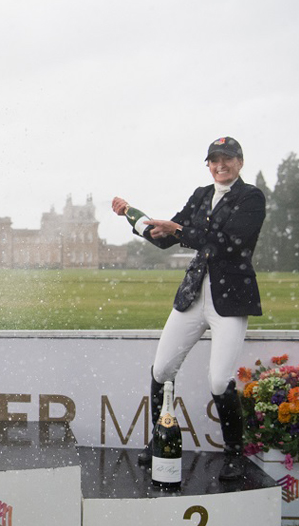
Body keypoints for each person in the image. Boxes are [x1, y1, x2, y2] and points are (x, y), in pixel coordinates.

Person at [112, 136, 265, 481]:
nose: (220, 165)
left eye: (227, 159)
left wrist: (179, 229)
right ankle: (158, 439)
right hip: (193, 295)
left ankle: (234, 454)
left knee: (219, 380)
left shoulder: (251, 197)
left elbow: (229, 242)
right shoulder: (200, 195)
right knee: (162, 369)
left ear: (240, 162)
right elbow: (164, 238)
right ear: (208, 165)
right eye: (214, 160)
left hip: (230, 300)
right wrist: (131, 215)